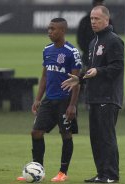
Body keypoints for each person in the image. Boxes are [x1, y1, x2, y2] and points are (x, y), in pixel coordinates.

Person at [62, 6, 124, 183]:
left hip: (109, 97)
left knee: (106, 137)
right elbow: (91, 70)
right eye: (91, 19)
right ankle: (102, 174)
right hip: (95, 97)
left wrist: (99, 71)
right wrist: (79, 79)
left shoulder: (114, 41)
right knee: (96, 138)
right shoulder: (93, 42)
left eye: (97, 19)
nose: (93, 22)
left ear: (106, 20)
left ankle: (111, 175)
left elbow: (117, 67)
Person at [17, 17, 82, 182]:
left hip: (65, 100)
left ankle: (63, 172)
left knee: (65, 134)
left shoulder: (72, 52)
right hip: (49, 100)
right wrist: (37, 99)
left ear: (62, 31)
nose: (49, 32)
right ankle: (37, 170)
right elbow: (45, 76)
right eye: (49, 28)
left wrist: (73, 105)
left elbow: (77, 82)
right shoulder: (47, 50)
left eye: (53, 29)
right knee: (36, 132)